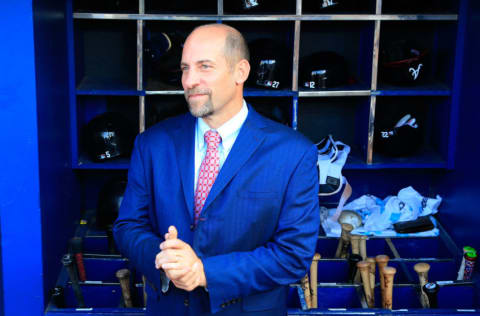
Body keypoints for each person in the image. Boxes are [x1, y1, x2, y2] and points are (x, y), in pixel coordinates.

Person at [113, 23, 320, 316]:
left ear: (241, 72)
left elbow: (293, 255)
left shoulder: (293, 153)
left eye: (204, 67)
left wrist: (203, 272)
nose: (189, 80)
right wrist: (166, 260)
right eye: (185, 68)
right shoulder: (153, 144)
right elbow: (128, 226)